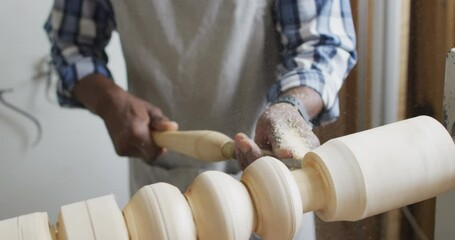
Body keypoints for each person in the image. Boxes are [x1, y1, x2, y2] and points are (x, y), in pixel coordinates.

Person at [44, 0, 357, 194]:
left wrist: (292, 108)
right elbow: (70, 44)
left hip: (271, 176)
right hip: (161, 186)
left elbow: (322, 44)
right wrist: (110, 101)